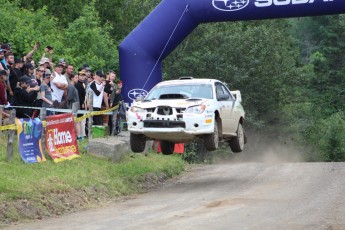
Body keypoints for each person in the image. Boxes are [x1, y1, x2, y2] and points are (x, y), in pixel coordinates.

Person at [75, 69, 87, 139]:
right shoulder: (78, 85)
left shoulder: (82, 84)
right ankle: (79, 136)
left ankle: (80, 135)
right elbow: (78, 96)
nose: (83, 77)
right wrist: (81, 103)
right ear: (78, 76)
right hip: (78, 105)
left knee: (79, 121)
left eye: (83, 76)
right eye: (81, 76)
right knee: (78, 121)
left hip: (81, 105)